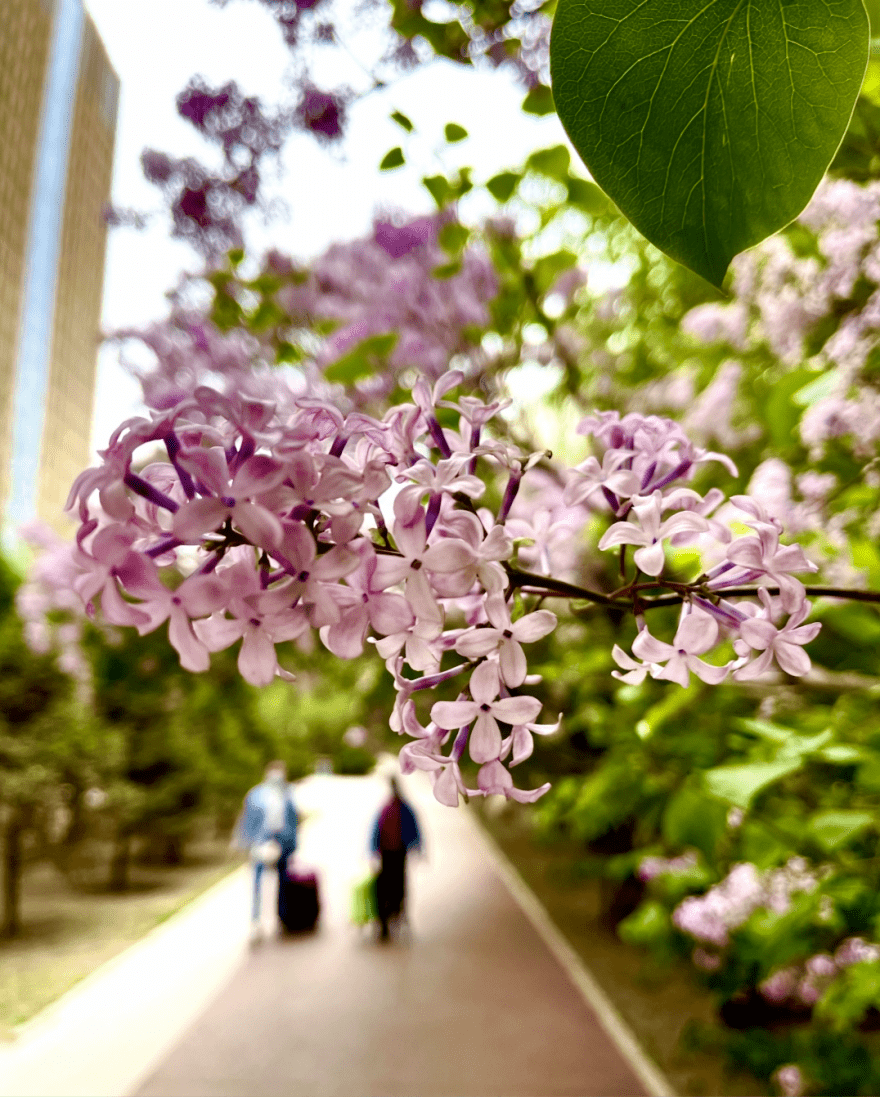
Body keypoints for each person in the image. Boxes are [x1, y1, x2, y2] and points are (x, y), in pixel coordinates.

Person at [236, 761, 298, 941]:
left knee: (284, 882)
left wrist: (293, 845)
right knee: (256, 882)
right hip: (260, 843)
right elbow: (247, 821)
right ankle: (256, 922)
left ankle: (283, 919)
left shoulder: (288, 794)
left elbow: (293, 821)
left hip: (282, 842)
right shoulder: (255, 795)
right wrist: (246, 843)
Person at [370, 776, 422, 941]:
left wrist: (417, 845)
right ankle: (387, 920)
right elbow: (376, 830)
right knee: (388, 886)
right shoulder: (388, 808)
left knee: (397, 885)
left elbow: (413, 828)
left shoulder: (402, 808)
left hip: (398, 852)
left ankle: (396, 914)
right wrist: (372, 850)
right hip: (387, 853)